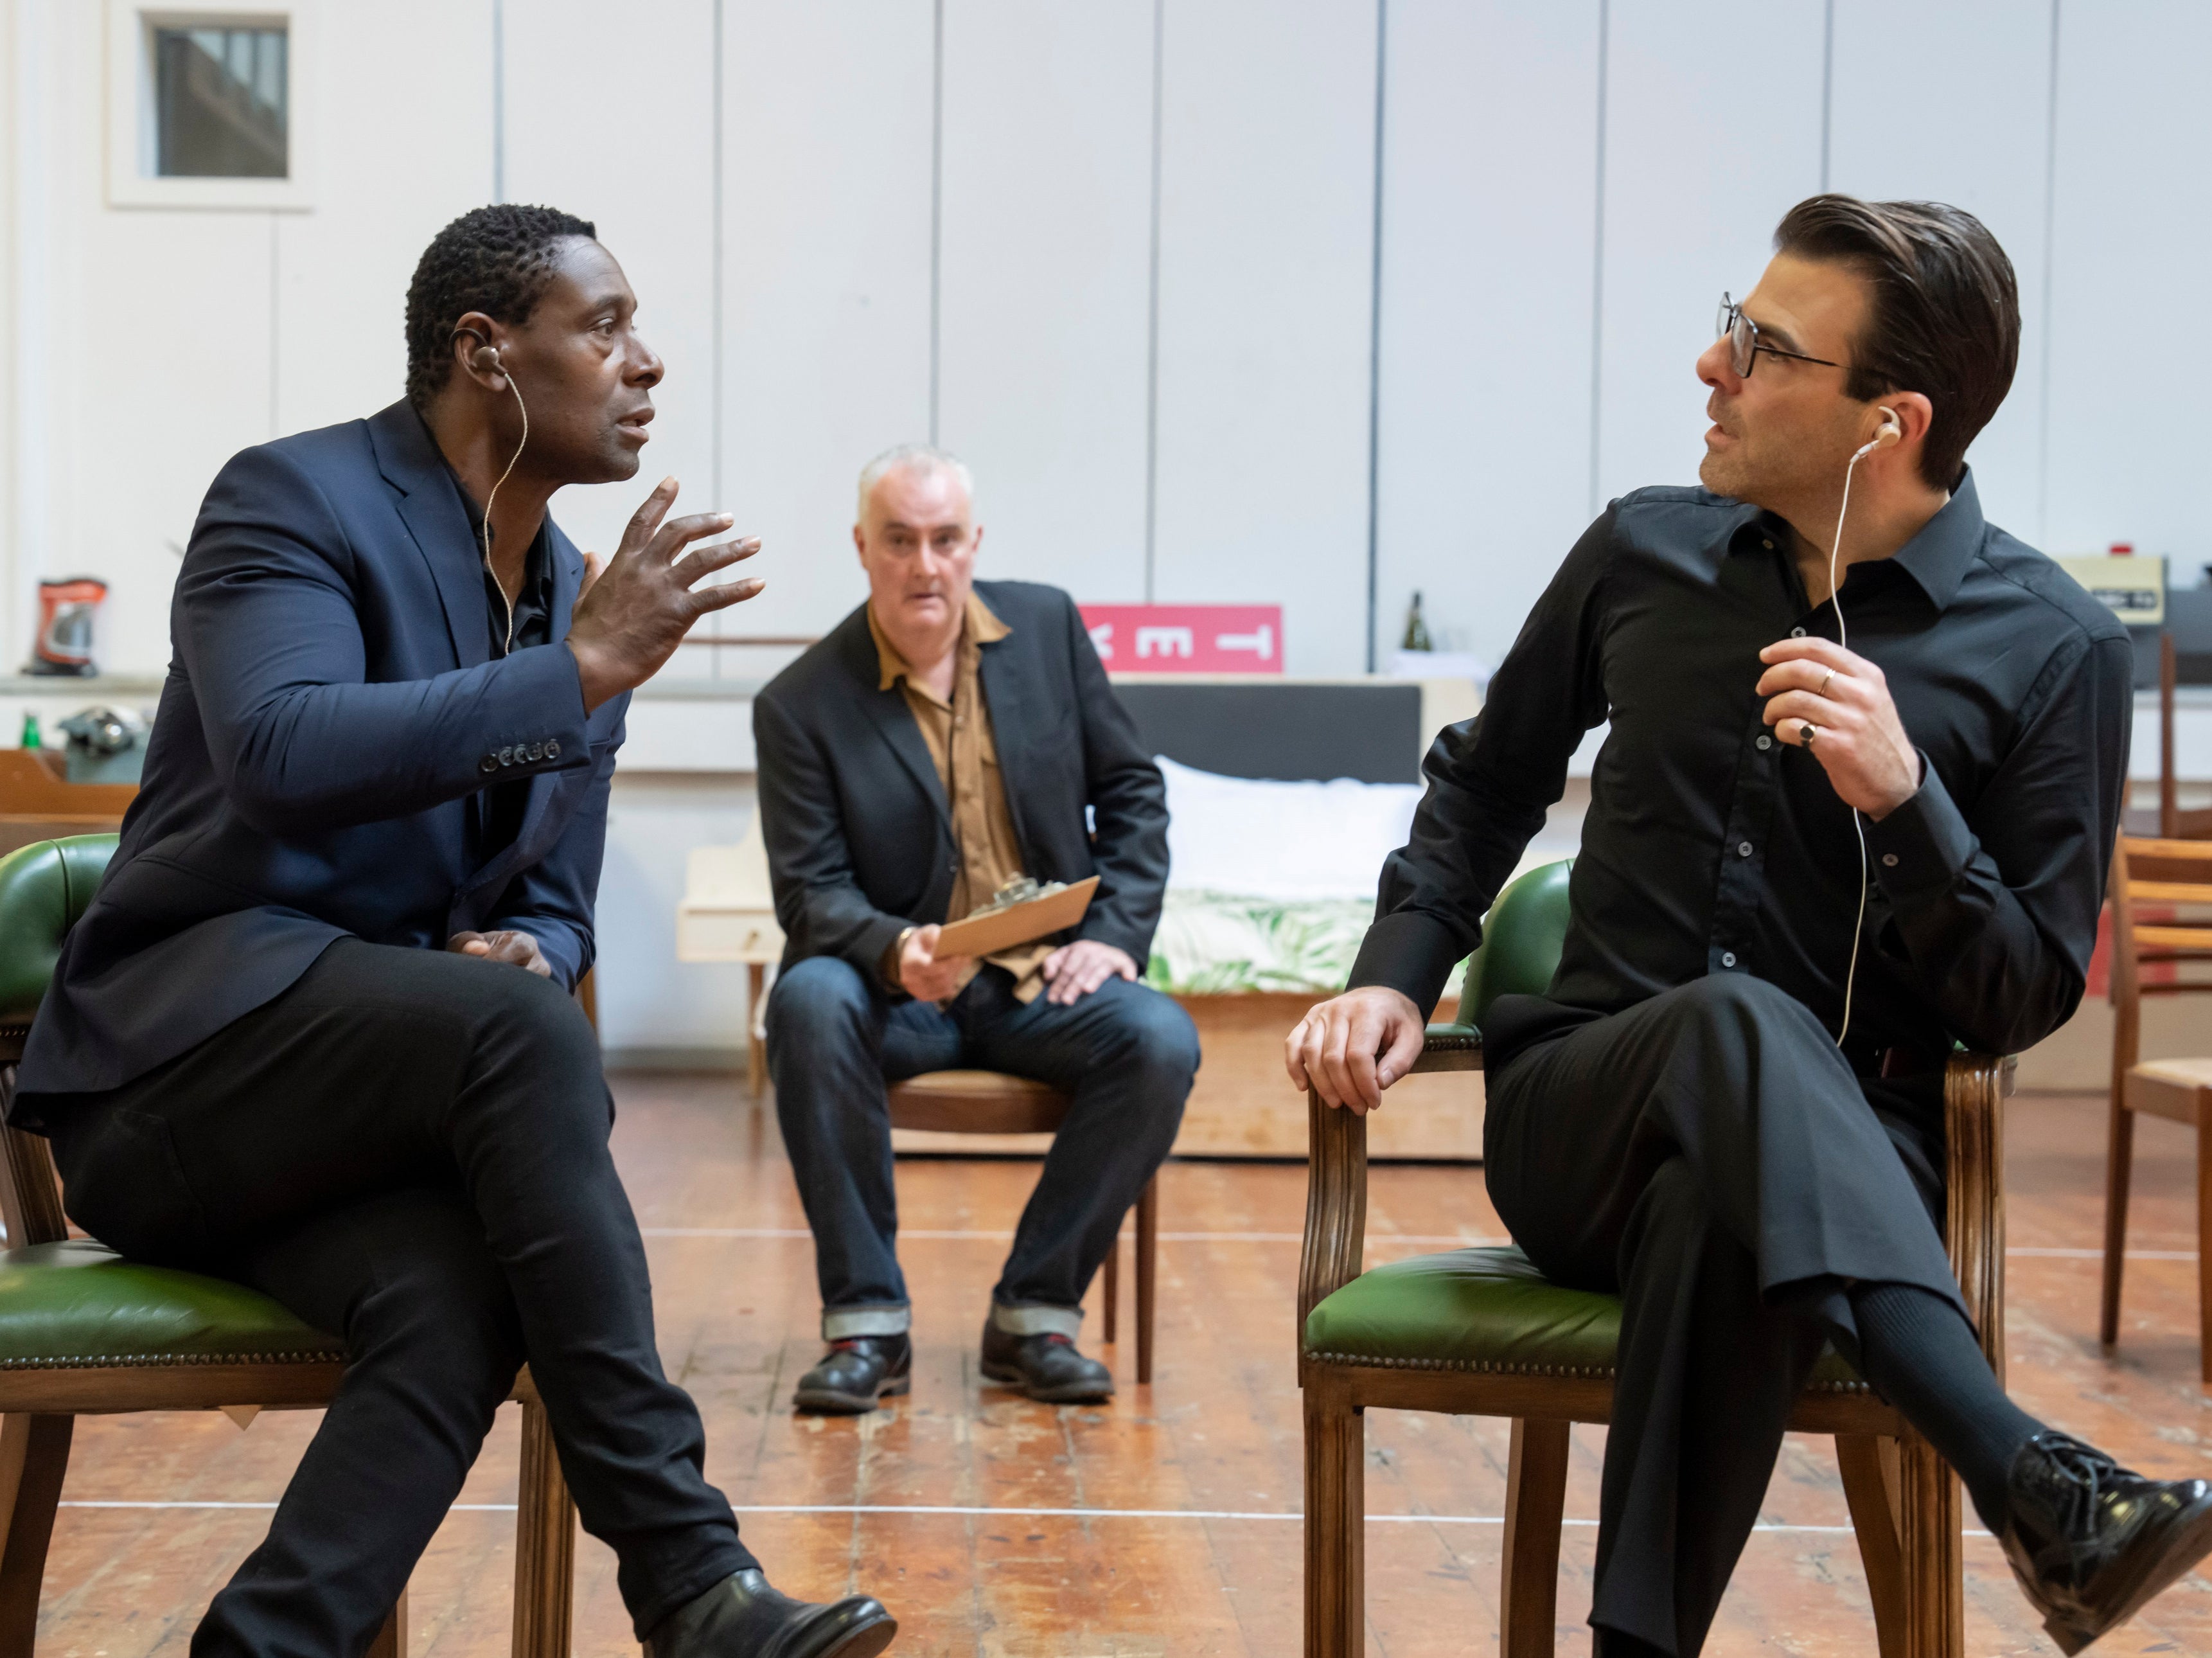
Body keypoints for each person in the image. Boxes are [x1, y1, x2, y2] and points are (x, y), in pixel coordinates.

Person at [1286, 195, 2212, 1658]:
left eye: (1761, 348)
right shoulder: (1643, 551)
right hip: (1580, 1115)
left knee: (1722, 1208)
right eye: (1736, 324)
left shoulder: (2053, 648)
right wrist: (1398, 976)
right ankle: (2025, 1473)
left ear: (1885, 423)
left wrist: (1910, 804)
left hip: (1857, 1154)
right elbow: (1489, 783)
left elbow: (2025, 993)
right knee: (1735, 1025)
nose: (1709, 368)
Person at [9, 206, 897, 1658]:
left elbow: (554, 892)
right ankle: (686, 1580)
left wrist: (538, 945)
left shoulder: (575, 591)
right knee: (512, 1039)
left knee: (464, 1293)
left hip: (362, 1105)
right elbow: (283, 751)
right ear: (488, 351)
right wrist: (583, 673)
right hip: (172, 1080)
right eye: (603, 329)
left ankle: (265, 1645)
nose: (646, 363)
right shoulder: (291, 501)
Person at [754, 444, 1196, 1413]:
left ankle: (1034, 1314)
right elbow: (810, 892)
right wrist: (891, 948)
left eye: (945, 540)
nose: (925, 565)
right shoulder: (798, 704)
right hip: (892, 993)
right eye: (901, 541)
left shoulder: (1046, 627)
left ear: (974, 543)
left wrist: (1116, 934)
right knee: (805, 996)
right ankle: (866, 1324)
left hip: (1042, 987)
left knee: (1161, 1039)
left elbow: (1132, 791)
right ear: (863, 548)